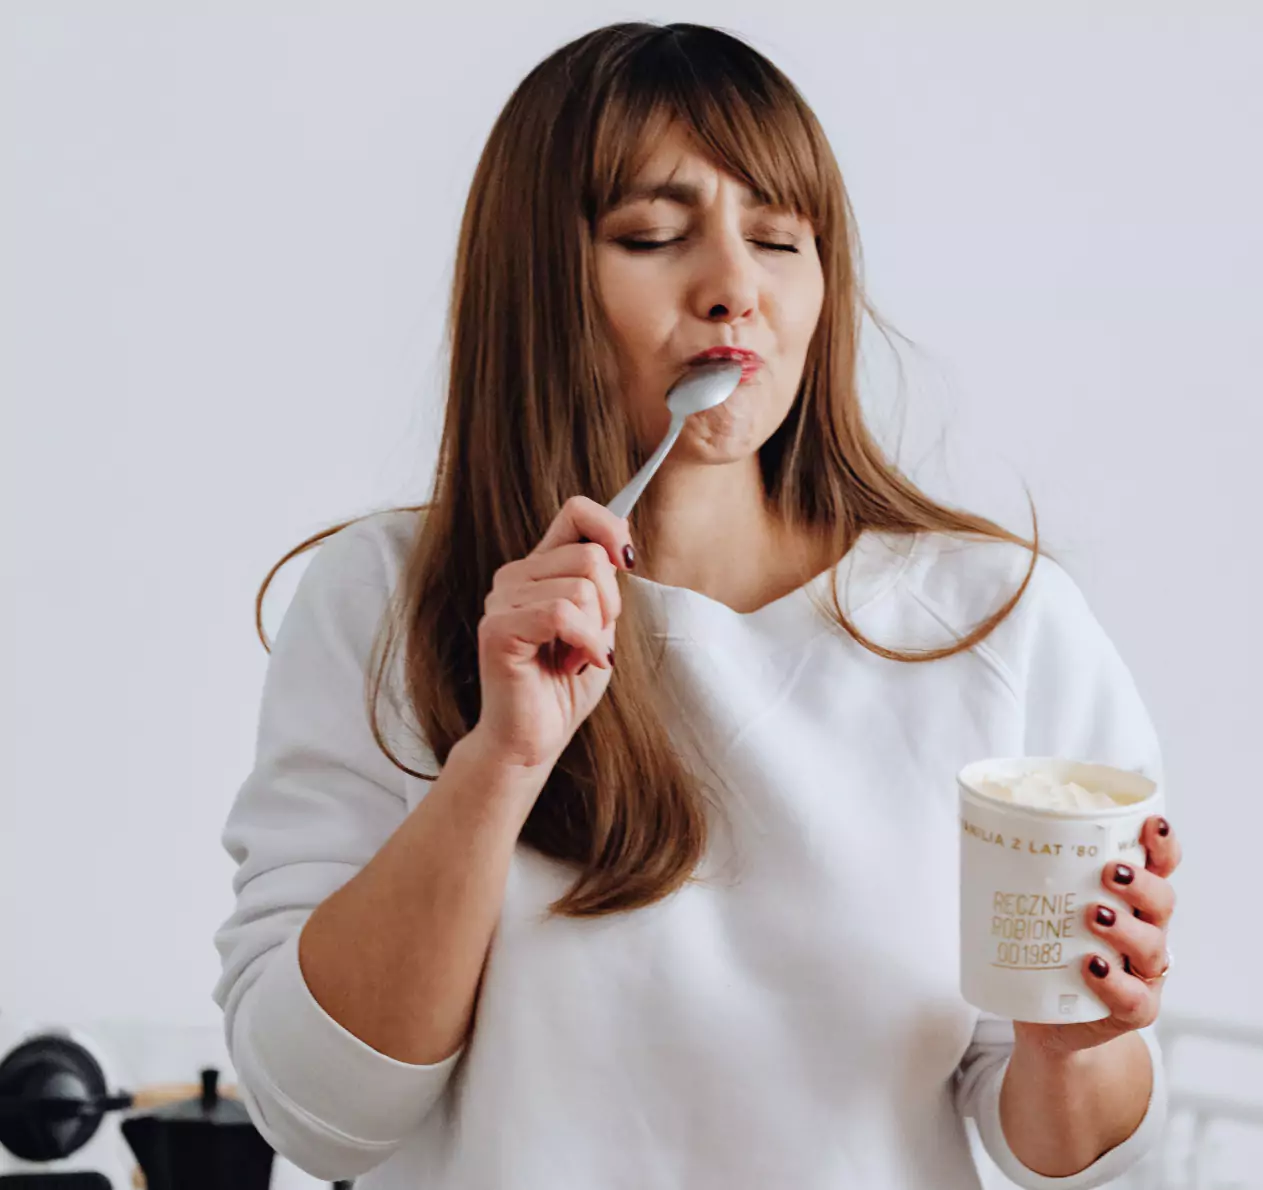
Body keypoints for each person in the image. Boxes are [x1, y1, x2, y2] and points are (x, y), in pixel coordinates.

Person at [213, 21, 1182, 1190]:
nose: (736, 288)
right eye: (654, 235)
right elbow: (319, 1113)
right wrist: (500, 759)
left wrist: (1079, 1041)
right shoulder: (384, 600)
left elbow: (1076, 1157)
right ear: (539, 280)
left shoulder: (998, 624)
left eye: (780, 238)